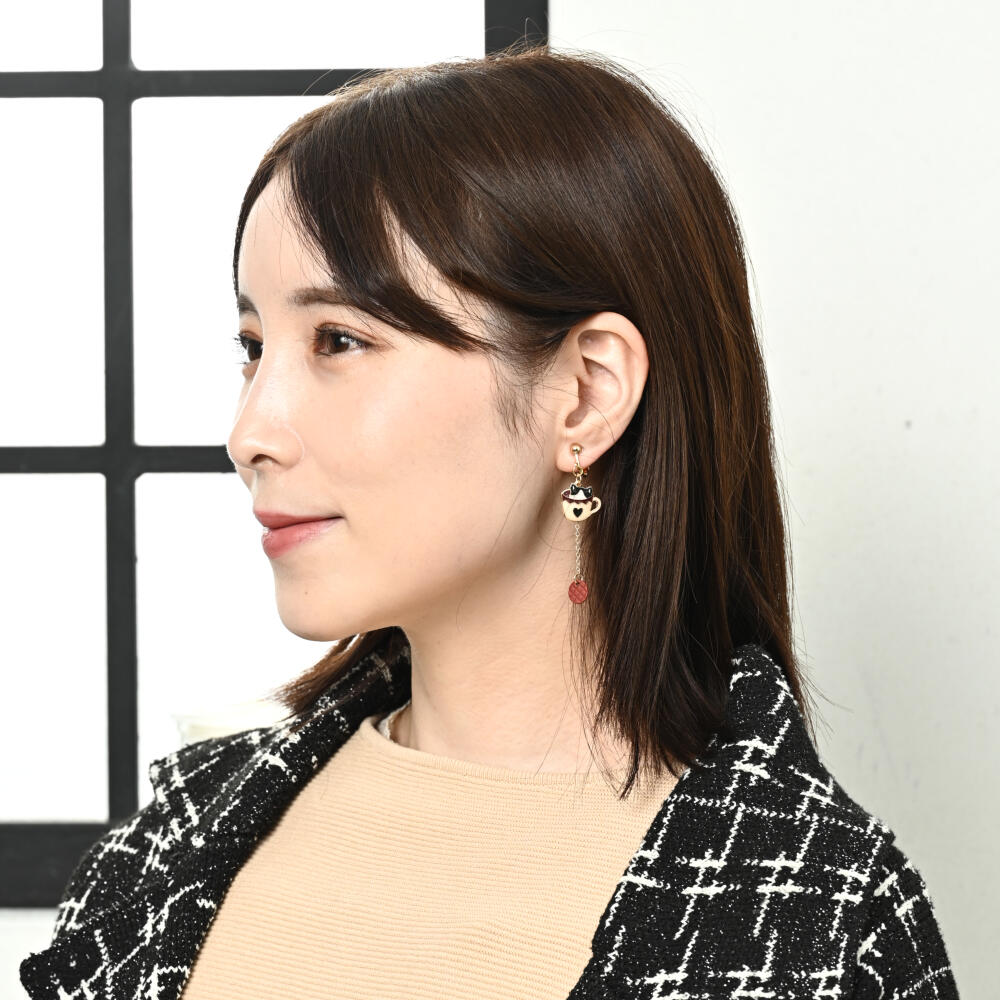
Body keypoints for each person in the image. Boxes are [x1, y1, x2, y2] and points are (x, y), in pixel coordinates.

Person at [20, 44, 960, 1000]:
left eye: (339, 340)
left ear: (586, 393)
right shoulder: (167, 847)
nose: (249, 433)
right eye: (253, 347)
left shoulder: (824, 927)